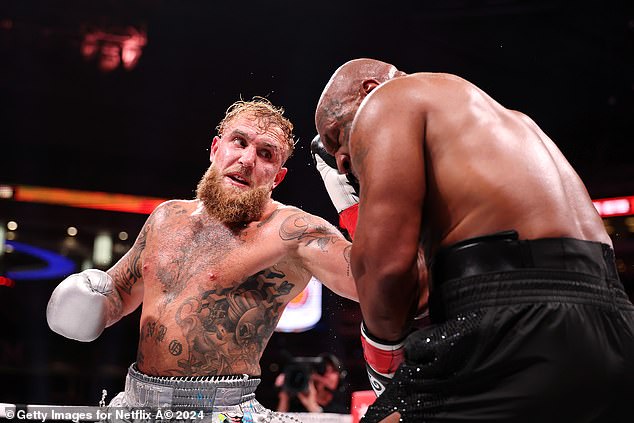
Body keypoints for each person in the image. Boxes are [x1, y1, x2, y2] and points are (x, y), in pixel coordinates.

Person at [313, 58, 634, 422]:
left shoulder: (390, 100)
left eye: (336, 136)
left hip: (517, 331)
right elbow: (420, 293)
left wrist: (384, 361)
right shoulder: (512, 124)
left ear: (369, 90)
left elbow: (385, 273)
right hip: (615, 329)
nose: (340, 161)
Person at [46, 98, 358, 422]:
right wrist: (91, 301)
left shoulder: (292, 230)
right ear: (215, 148)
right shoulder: (165, 217)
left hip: (222, 411)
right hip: (135, 404)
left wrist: (351, 203)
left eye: (266, 154)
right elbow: (120, 293)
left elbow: (372, 286)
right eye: (240, 142)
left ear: (277, 178)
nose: (247, 159)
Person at [276, 353, 348, 414]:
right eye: (324, 370)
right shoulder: (297, 400)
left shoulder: (341, 406)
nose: (327, 374)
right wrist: (284, 396)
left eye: (332, 371)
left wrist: (312, 407)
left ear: (340, 376)